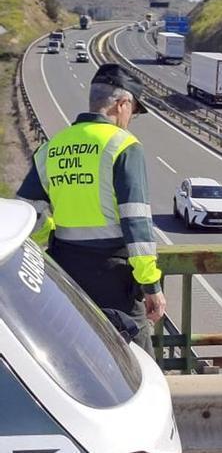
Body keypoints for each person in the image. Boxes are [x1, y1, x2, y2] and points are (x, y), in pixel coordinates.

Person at [16, 63, 166, 355]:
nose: (130, 119)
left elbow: (26, 214)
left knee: (76, 358)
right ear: (122, 104)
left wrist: (52, 232)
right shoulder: (123, 145)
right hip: (115, 280)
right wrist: (151, 286)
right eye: (132, 111)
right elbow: (136, 223)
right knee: (137, 364)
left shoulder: (52, 148)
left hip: (64, 272)